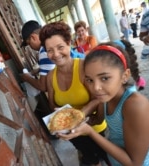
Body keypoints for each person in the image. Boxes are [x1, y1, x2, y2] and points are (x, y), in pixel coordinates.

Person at [58, 42, 149, 166]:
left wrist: (90, 131)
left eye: (104, 78)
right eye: (89, 80)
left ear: (125, 76)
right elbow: (98, 120)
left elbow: (134, 163)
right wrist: (72, 121)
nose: (95, 87)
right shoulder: (106, 98)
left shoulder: (135, 105)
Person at [39, 21, 110, 166]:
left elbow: (99, 98)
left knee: (109, 159)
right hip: (72, 133)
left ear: (69, 43)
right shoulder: (50, 77)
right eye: (50, 50)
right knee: (91, 160)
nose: (56, 54)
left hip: (94, 127)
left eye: (60, 47)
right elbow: (54, 107)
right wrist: (59, 124)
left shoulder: (84, 67)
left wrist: (80, 114)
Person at [20, 20, 55, 92]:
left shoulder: (44, 50)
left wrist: (27, 78)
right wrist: (38, 70)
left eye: (29, 43)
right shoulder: (51, 42)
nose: (30, 46)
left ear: (33, 37)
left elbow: (43, 86)